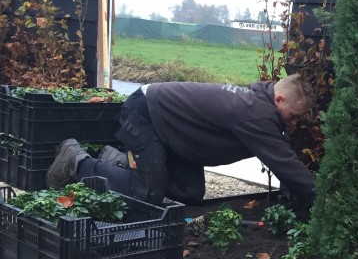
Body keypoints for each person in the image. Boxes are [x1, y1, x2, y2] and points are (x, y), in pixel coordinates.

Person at [45, 74, 316, 207]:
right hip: (145, 113)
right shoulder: (257, 113)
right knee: (148, 193)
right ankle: (77, 162)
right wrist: (322, 196)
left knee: (190, 193)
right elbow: (285, 164)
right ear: (278, 99)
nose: (293, 122)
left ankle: (118, 162)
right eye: (293, 115)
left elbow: (283, 158)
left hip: (171, 130)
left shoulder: (259, 106)